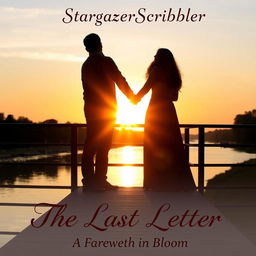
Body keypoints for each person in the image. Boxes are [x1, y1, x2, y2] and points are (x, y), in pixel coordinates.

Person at [133, 48, 196, 191]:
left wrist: (133, 98)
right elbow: (175, 98)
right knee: (171, 145)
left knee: (154, 145)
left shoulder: (156, 70)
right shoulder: (174, 75)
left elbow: (145, 89)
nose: (153, 57)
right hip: (168, 111)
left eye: (156, 55)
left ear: (159, 58)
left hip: (155, 112)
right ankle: (175, 182)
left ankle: (155, 182)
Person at [81, 33, 135, 190]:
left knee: (90, 144)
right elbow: (119, 79)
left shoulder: (86, 65)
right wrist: (132, 97)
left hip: (91, 109)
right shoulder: (106, 61)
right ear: (100, 44)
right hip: (106, 110)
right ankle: (99, 180)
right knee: (103, 146)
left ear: (86, 48)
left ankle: (89, 181)